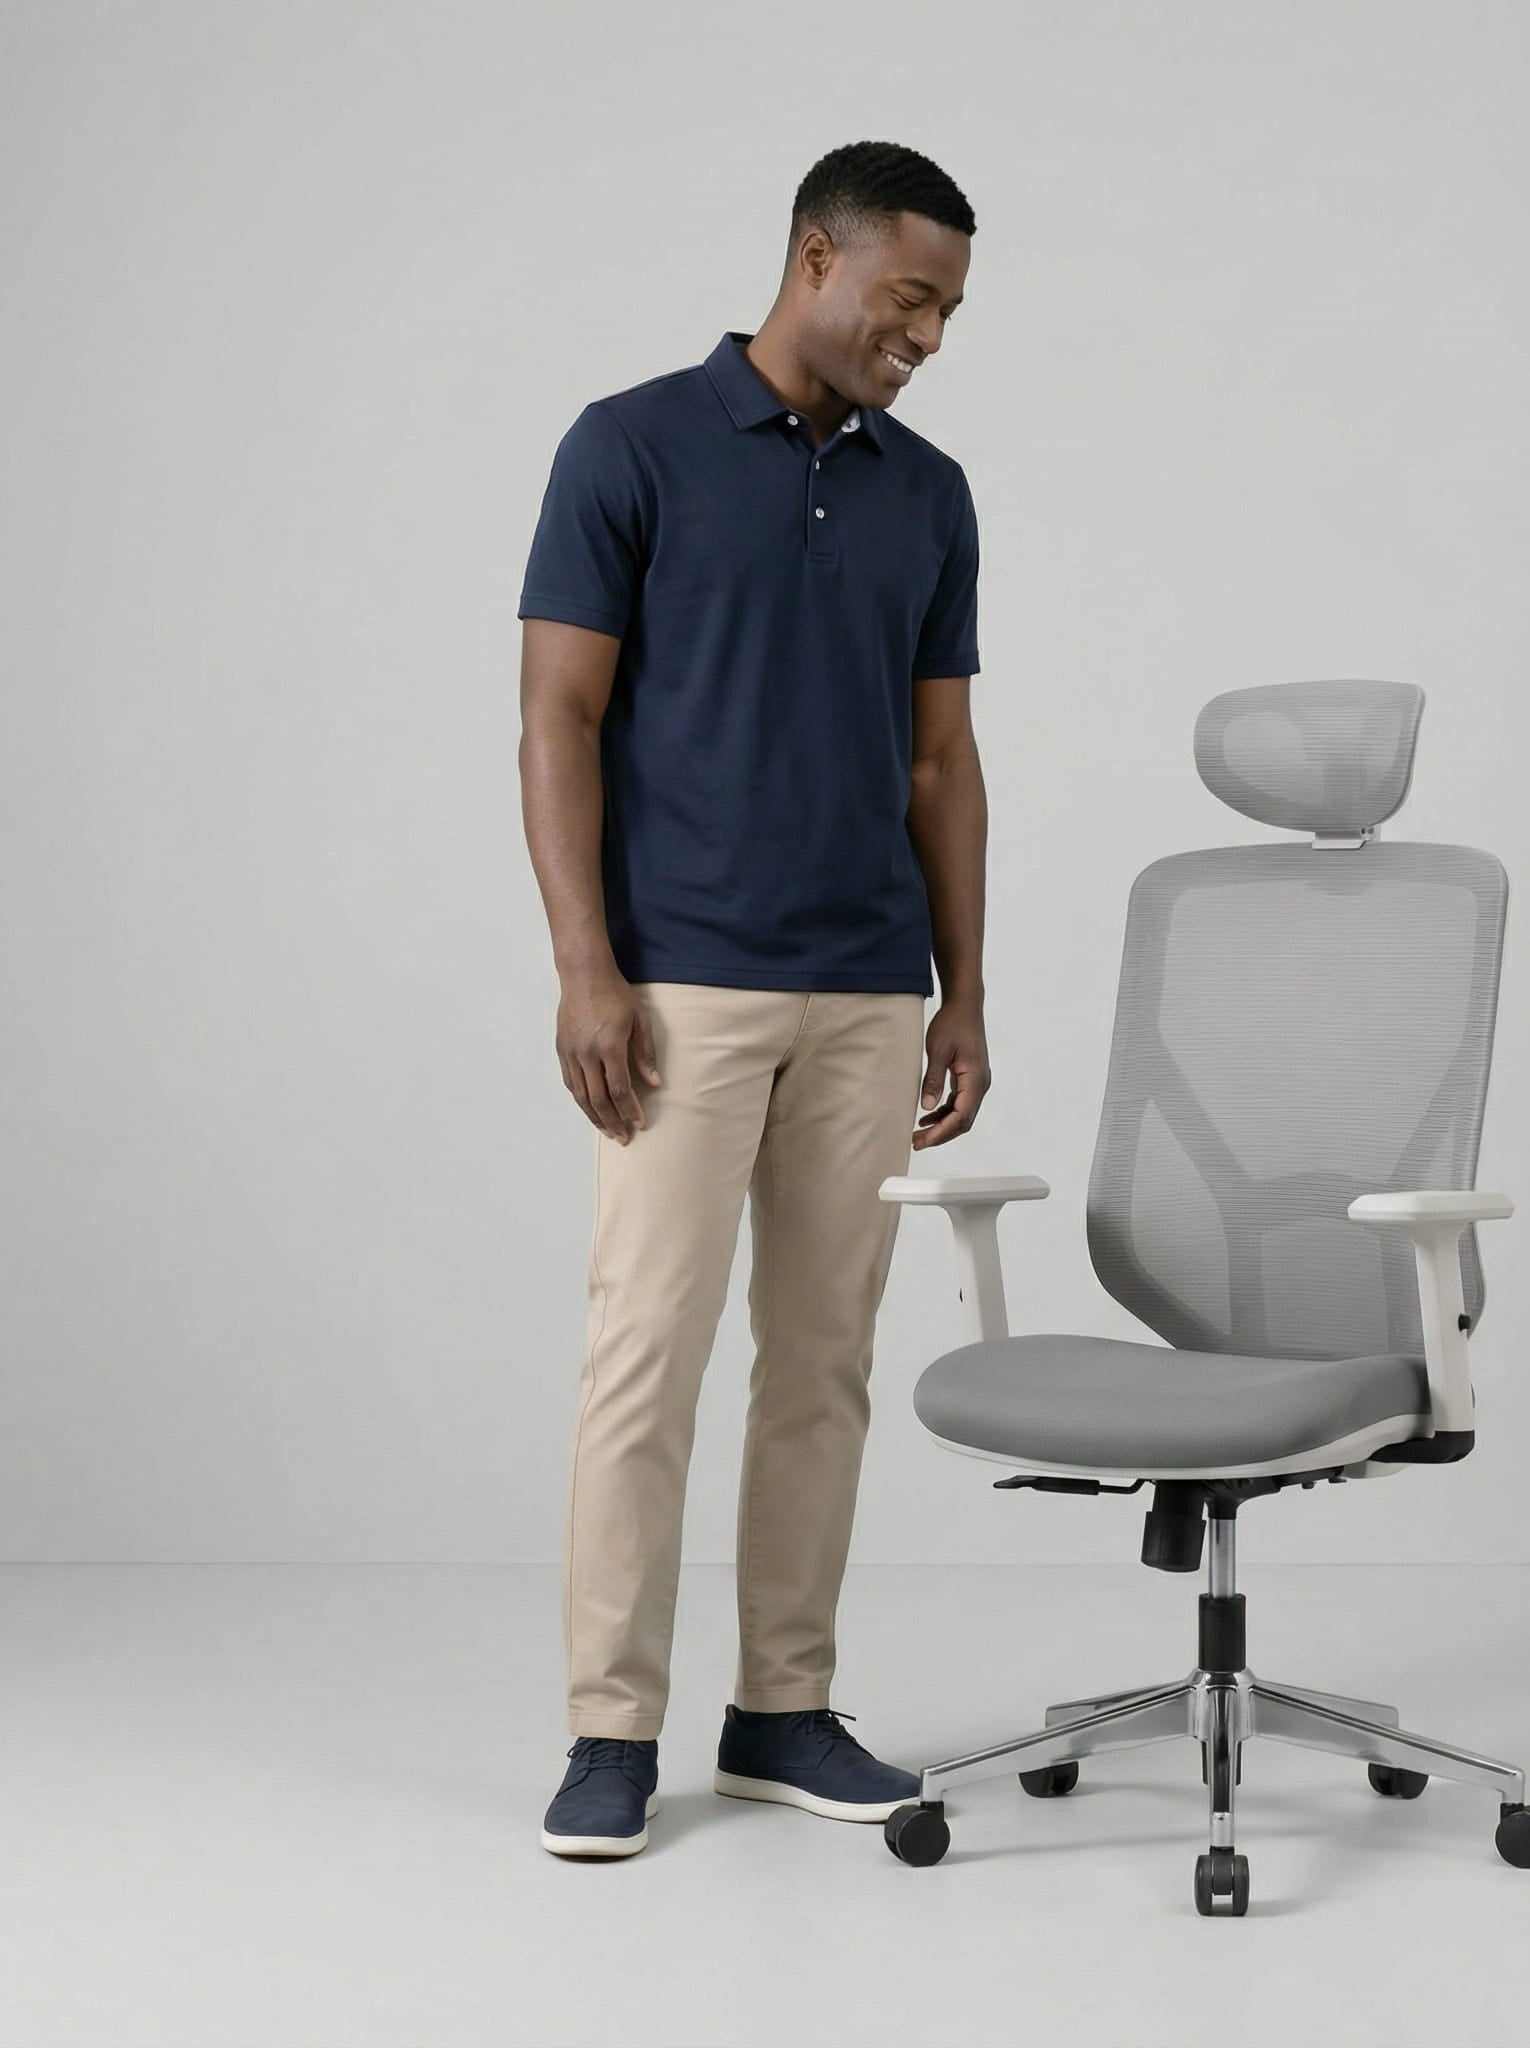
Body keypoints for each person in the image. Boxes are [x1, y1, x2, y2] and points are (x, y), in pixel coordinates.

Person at [515, 140, 986, 1859]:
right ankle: (607, 1729)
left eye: (948, 310)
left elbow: (943, 760)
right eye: (908, 296)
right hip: (681, 987)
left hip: (867, 990)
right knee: (645, 1351)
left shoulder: (927, 492)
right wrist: (587, 966)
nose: (927, 333)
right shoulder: (630, 445)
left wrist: (966, 989)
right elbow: (557, 718)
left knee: (824, 1365)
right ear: (815, 258)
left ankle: (783, 1706)